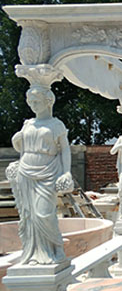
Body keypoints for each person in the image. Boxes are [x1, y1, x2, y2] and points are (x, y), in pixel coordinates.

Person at [6, 85, 73, 265]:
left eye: (37, 101)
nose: (33, 105)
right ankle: (34, 253)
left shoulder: (56, 125)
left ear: (48, 101)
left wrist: (66, 172)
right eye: (31, 101)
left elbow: (65, 149)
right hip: (26, 172)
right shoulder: (28, 123)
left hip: (47, 171)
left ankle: (56, 248)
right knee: (29, 215)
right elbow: (21, 148)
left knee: (45, 213)